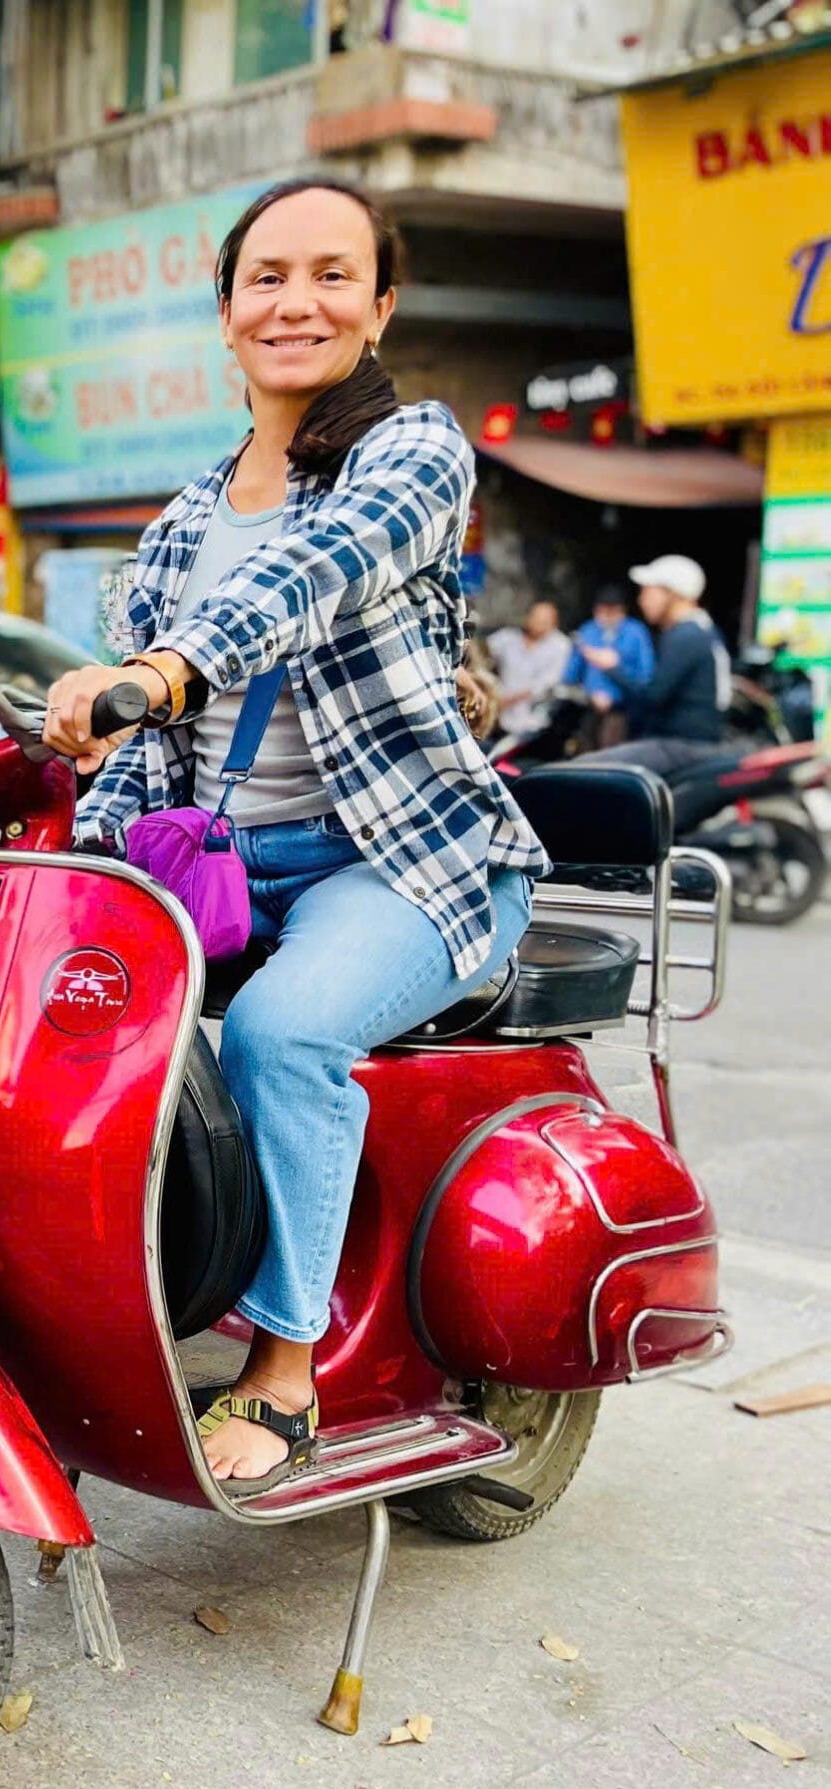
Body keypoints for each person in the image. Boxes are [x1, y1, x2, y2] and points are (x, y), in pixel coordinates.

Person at [42, 178, 545, 1496]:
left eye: (332, 275)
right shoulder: (184, 515)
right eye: (266, 277)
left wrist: (161, 670)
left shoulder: (413, 453)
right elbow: (147, 754)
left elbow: (309, 578)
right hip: (226, 869)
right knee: (43, 1000)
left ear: (380, 307)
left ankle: (283, 1369)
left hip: (403, 860)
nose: (295, 303)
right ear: (225, 312)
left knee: (278, 1032)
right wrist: (59, 841)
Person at [580, 556, 726, 775]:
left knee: (582, 770)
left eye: (648, 592)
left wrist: (612, 668)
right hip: (684, 743)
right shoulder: (699, 630)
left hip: (681, 746)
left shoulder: (686, 636)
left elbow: (651, 698)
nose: (641, 600)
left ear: (673, 594)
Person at [573, 582, 654, 739]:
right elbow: (572, 672)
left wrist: (613, 693)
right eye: (602, 611)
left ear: (622, 611)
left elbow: (645, 676)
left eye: (612, 611)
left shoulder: (636, 633)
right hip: (589, 704)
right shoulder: (588, 630)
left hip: (622, 707)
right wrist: (590, 693)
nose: (607, 616)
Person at [486, 597, 572, 741]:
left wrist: (508, 700)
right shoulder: (507, 637)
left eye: (545, 620)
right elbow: (481, 652)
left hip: (534, 720)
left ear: (554, 623)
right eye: (536, 617)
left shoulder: (561, 645)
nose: (539, 623)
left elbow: (547, 682)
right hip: (498, 715)